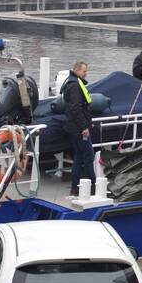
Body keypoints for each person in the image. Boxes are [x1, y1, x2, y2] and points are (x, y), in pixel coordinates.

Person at [61, 61, 95, 196]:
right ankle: (93, 186)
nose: (86, 74)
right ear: (77, 70)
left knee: (79, 157)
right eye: (84, 71)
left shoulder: (71, 82)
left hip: (73, 127)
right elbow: (76, 108)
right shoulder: (75, 85)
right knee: (89, 155)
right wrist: (84, 127)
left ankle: (75, 187)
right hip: (79, 128)